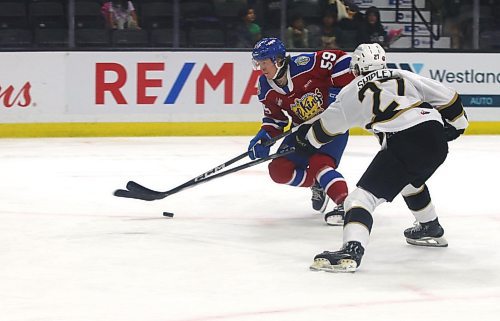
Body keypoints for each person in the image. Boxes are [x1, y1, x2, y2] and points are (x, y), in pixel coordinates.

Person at [293, 43, 468, 272]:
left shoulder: (352, 89)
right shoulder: (401, 74)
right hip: (434, 137)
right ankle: (430, 227)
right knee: (409, 181)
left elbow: (324, 130)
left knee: (359, 200)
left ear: (356, 68)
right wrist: (458, 126)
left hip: (404, 140)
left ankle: (352, 249)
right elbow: (450, 98)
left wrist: (305, 141)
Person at [248, 37, 355, 225]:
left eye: (264, 62)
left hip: (331, 125)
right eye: (258, 63)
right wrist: (264, 137)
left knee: (319, 164)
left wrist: (335, 94)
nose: (261, 67)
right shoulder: (265, 86)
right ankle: (316, 183)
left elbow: (342, 60)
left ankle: (346, 205)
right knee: (278, 170)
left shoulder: (304, 64)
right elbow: (276, 119)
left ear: (278, 60)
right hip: (302, 131)